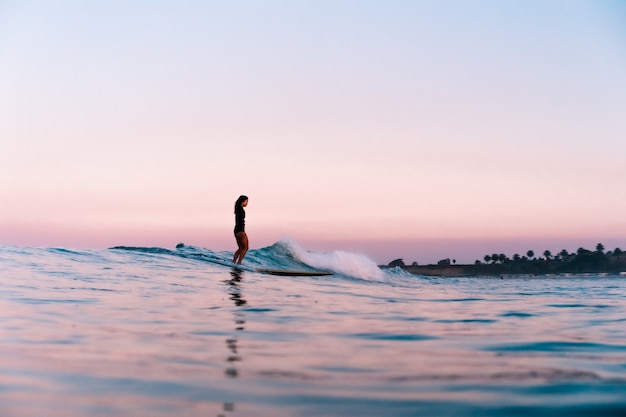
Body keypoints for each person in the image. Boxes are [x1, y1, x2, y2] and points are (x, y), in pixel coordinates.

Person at [232, 195, 249, 265]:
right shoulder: (240, 210)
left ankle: (233, 262)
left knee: (240, 248)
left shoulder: (238, 208)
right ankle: (239, 263)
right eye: (246, 201)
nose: (247, 203)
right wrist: (242, 232)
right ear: (243, 201)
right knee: (245, 248)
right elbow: (240, 221)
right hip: (240, 230)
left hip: (236, 230)